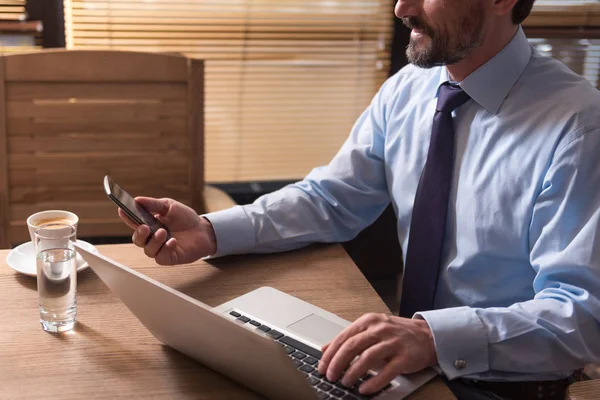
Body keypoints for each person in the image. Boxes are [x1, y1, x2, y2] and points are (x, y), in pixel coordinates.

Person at [119, 0, 600, 399]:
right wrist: (211, 231)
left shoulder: (579, 126)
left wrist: (434, 337)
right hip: (405, 366)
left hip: (505, 386)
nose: (400, 8)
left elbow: (583, 313)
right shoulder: (408, 90)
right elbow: (332, 198)